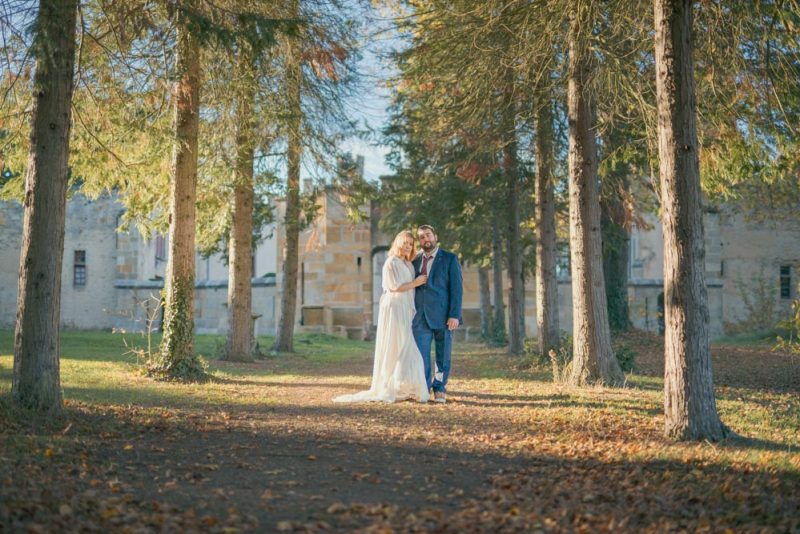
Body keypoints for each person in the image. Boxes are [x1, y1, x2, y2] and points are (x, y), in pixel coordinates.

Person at [334, 231, 430, 403]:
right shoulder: (391, 262)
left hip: (405, 308)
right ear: (398, 243)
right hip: (394, 307)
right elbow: (393, 287)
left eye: (410, 243)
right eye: (405, 243)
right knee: (399, 345)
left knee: (403, 345)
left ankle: (402, 385)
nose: (408, 246)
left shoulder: (407, 264)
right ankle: (390, 385)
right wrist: (415, 283)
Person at [412, 225, 463, 404]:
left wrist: (454, 315)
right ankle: (424, 388)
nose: (426, 239)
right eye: (421, 237)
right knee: (421, 355)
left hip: (444, 317)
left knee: (442, 355)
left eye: (428, 235)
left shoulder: (449, 258)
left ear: (435, 236)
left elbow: (456, 289)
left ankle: (439, 387)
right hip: (420, 317)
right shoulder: (414, 260)